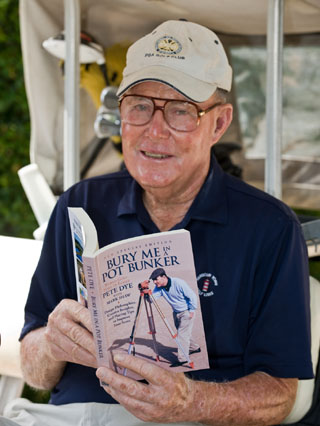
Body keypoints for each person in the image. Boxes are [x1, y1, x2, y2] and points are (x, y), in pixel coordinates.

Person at [1, 19, 313, 426]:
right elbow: (36, 372)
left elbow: (280, 396)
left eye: (181, 111)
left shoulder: (270, 228)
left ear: (218, 123)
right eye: (139, 106)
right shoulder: (80, 205)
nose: (155, 130)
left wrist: (193, 402)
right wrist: (50, 344)